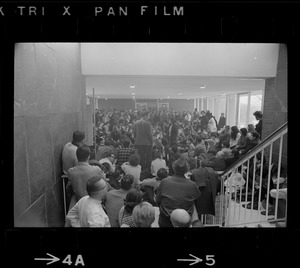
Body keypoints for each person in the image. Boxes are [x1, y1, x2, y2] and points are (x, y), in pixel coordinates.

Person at [156, 157, 201, 227]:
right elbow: (197, 198)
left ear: (174, 168)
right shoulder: (192, 184)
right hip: (184, 220)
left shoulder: (164, 182)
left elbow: (158, 200)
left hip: (165, 219)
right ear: (187, 170)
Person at [68, 145, 107, 210]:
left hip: (79, 201)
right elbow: (104, 181)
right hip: (94, 201)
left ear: (77, 157)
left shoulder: (71, 172)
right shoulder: (96, 169)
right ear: (89, 157)